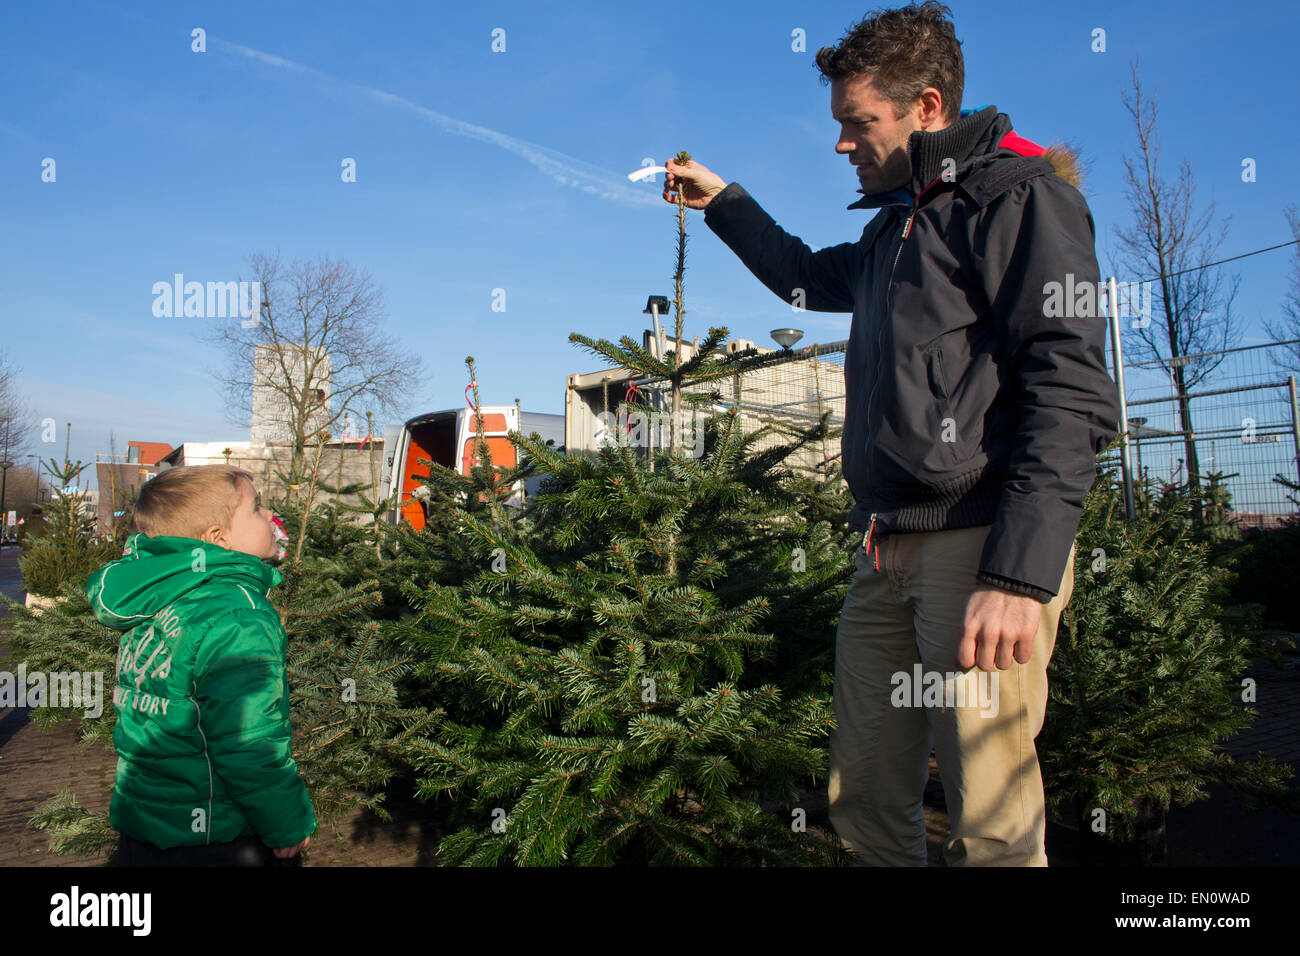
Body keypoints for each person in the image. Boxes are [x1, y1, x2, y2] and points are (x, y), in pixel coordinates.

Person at [663, 1, 1120, 865]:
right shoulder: (894, 230)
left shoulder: (1019, 201)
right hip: (884, 548)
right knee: (866, 794)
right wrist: (724, 201)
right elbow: (801, 276)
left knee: (989, 819)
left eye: (857, 123)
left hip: (981, 546)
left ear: (930, 107)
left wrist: (1019, 576)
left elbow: (1071, 393)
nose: (842, 144)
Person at [86, 464, 316, 866]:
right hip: (217, 837)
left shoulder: (161, 599)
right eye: (256, 508)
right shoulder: (236, 613)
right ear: (218, 538)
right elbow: (248, 737)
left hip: (145, 825)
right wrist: (287, 822)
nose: (268, 516)